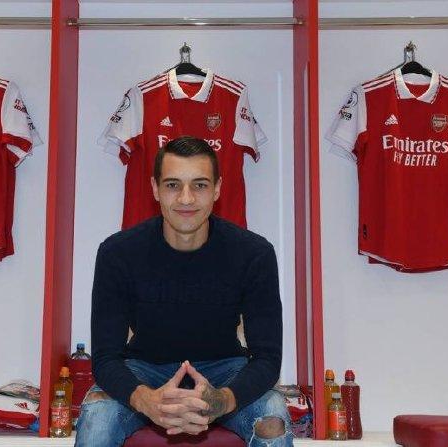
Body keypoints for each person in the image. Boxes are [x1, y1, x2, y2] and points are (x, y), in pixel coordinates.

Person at [75, 136, 292, 446]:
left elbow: (268, 359)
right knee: (97, 416)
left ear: (217, 189)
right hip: (144, 369)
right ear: (155, 188)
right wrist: (146, 400)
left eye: (200, 185)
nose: (186, 199)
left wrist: (223, 401)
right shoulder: (117, 253)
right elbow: (105, 359)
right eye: (173, 185)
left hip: (226, 370)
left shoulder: (254, 254)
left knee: (273, 417)